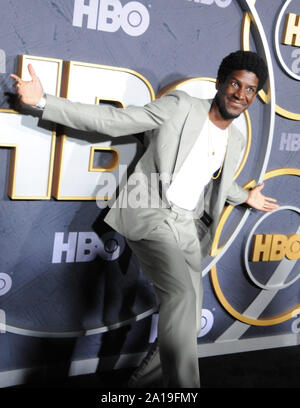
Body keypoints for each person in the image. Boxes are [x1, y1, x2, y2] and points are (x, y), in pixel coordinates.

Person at [11, 50, 279, 388]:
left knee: (190, 316)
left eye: (250, 90)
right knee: (180, 297)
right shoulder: (181, 107)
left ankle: (144, 389)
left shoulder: (236, 141)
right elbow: (113, 121)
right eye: (235, 84)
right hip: (151, 212)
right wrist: (43, 102)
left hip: (187, 226)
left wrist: (246, 196)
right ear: (220, 83)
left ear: (255, 96)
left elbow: (219, 182)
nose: (240, 95)